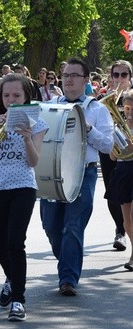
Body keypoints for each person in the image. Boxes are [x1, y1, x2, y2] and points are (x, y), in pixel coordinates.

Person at [40, 58, 114, 297]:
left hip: (84, 172)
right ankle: (68, 261)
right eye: (65, 75)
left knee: (73, 226)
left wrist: (87, 127)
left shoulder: (97, 109)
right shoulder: (50, 105)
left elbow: (108, 145)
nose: (68, 79)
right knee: (51, 227)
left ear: (85, 80)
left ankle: (68, 279)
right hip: (53, 173)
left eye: (74, 75)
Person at [0, 73, 48, 322]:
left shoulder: (37, 123)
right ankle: (12, 277)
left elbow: (33, 161)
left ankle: (18, 299)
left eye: (16, 95)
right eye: (6, 95)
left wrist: (27, 136)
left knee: (15, 242)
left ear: (26, 97)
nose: (10, 100)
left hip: (23, 186)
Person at [100, 61, 133, 251]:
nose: (120, 79)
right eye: (116, 75)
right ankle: (120, 229)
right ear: (111, 77)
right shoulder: (105, 97)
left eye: (124, 75)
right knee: (113, 193)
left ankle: (123, 232)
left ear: (129, 77)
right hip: (112, 147)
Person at [105, 88, 133, 271]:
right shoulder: (118, 126)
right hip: (123, 169)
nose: (129, 112)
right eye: (127, 108)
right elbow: (113, 157)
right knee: (126, 221)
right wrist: (113, 141)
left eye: (132, 108)